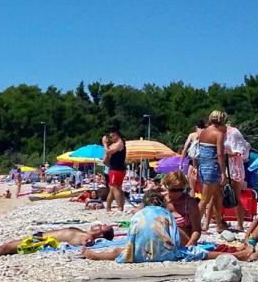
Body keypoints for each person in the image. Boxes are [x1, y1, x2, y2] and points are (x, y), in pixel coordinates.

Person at [83, 191, 243, 263]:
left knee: (118, 251)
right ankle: (241, 256)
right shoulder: (166, 214)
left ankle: (96, 256)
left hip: (139, 255)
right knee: (202, 253)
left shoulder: (138, 215)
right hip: (167, 254)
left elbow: (130, 238)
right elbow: (173, 237)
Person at [0, 225, 115, 260]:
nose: (97, 225)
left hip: (42, 241)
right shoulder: (85, 233)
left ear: (101, 233)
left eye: (101, 226)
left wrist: (88, 246)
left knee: (8, 247)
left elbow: (85, 246)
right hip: (41, 236)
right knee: (9, 244)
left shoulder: (88, 238)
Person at [196, 111, 229, 231]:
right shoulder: (218, 134)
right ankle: (195, 227)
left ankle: (219, 225)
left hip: (202, 165)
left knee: (217, 197)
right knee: (205, 200)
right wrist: (223, 173)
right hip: (213, 166)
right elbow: (220, 154)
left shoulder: (203, 132)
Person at [224, 118, 251, 229]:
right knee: (219, 196)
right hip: (225, 165)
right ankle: (220, 221)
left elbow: (242, 151)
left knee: (234, 196)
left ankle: (240, 223)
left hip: (234, 166)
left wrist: (228, 155)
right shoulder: (220, 133)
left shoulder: (233, 132)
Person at [102, 128, 127, 213]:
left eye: (112, 136)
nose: (111, 138)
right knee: (115, 188)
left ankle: (120, 207)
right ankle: (108, 208)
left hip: (116, 169)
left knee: (115, 188)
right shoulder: (115, 144)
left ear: (116, 135)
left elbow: (108, 152)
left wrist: (105, 144)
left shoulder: (119, 143)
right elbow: (105, 160)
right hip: (116, 168)